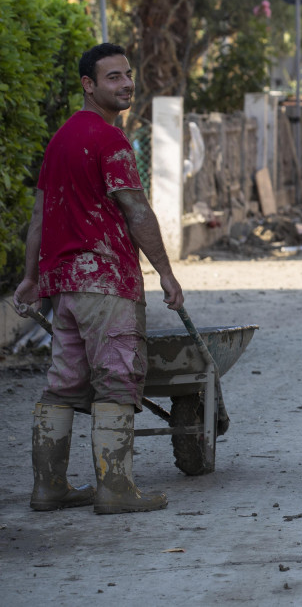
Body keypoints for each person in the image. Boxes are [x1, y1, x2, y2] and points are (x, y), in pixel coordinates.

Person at [13, 42, 184, 515]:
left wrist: (32, 279)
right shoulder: (109, 140)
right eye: (113, 77)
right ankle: (115, 489)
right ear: (89, 85)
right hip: (106, 282)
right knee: (117, 381)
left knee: (63, 385)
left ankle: (49, 487)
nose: (126, 83)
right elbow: (136, 211)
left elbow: (40, 217)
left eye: (128, 74)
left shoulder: (61, 138)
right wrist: (166, 273)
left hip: (64, 287)